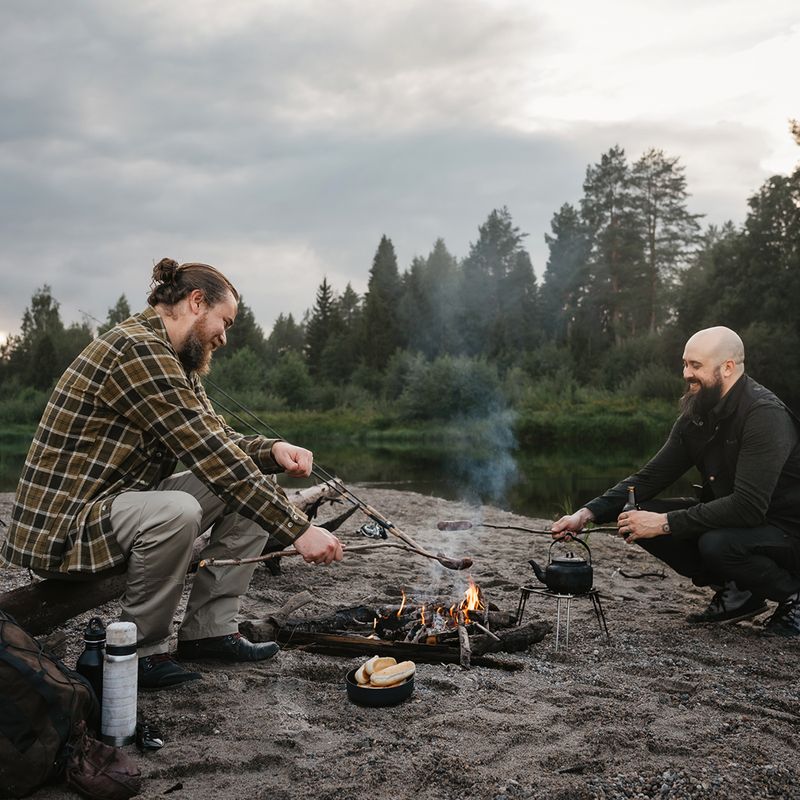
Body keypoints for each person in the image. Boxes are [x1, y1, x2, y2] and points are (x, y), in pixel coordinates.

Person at [1, 258, 344, 688]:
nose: (225, 336)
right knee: (177, 510)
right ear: (197, 302)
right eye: (226, 322)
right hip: (63, 528)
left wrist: (272, 450)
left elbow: (215, 438)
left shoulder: (175, 358)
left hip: (112, 508)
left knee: (257, 476)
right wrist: (297, 529)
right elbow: (210, 452)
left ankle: (209, 632)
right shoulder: (137, 350)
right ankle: (136, 653)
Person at [552, 326, 800, 636]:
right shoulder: (698, 413)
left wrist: (664, 522)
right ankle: (740, 593)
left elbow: (748, 507)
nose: (686, 373)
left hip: (788, 531)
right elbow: (650, 477)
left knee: (717, 544)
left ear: (728, 367)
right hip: (746, 525)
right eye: (685, 364)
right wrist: (585, 514)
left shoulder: (763, 415)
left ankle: (793, 597)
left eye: (696, 365)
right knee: (633, 513)